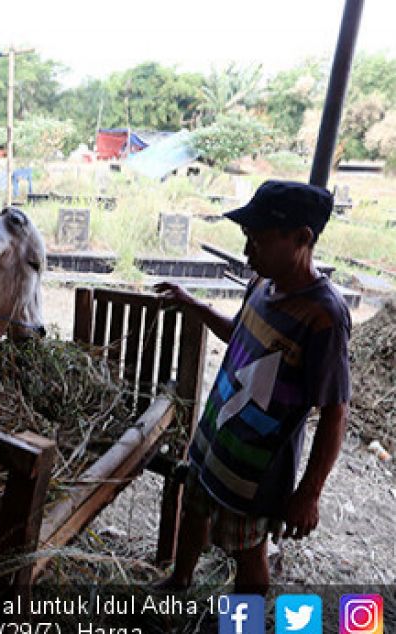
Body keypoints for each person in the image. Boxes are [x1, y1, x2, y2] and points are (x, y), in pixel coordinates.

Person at [154, 180, 351, 594]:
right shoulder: (262, 284)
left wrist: (309, 492)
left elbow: (334, 411)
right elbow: (241, 334)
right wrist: (197, 306)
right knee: (194, 511)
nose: (247, 252)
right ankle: (179, 582)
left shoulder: (324, 317)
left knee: (248, 555)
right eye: (247, 239)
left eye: (259, 240)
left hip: (255, 470)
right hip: (214, 439)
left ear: (302, 239)